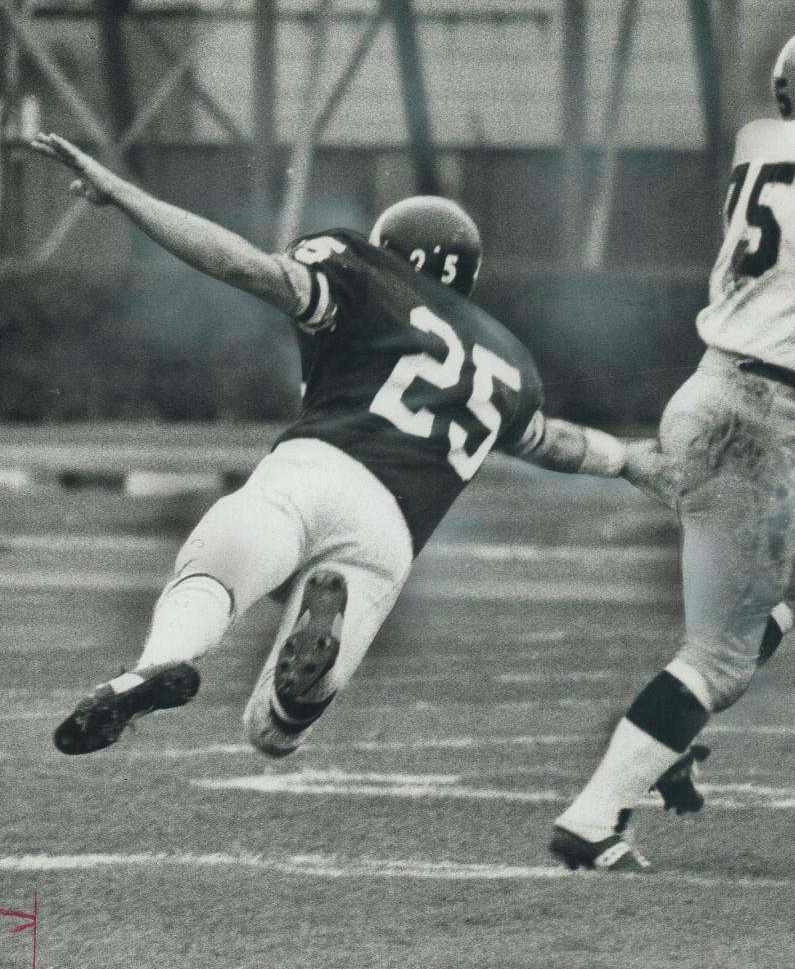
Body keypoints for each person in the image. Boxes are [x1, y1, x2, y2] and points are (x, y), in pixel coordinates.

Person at [31, 132, 635, 760]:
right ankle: (302, 684)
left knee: (213, 570)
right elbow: (551, 442)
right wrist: (636, 462)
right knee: (270, 734)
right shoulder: (508, 361)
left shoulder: (358, 268)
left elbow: (241, 265)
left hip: (314, 470)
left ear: (389, 248)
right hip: (387, 537)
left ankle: (158, 663)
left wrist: (122, 194)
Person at [549, 20, 795, 871]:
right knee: (717, 656)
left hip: (730, 397)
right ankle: (594, 816)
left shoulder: (762, 144)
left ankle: (669, 733)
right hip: (751, 415)